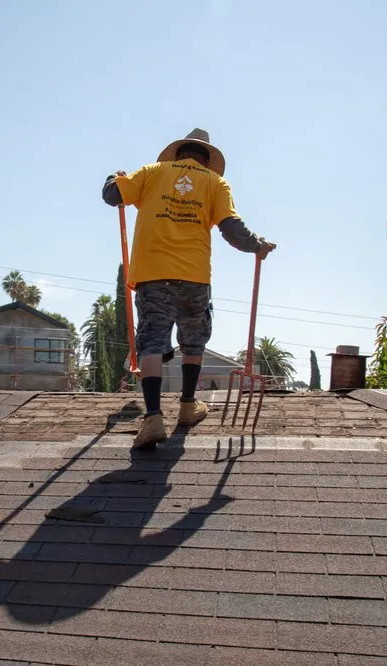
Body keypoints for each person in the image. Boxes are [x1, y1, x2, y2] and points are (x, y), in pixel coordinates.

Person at [102, 129, 275, 448]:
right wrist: (257, 246)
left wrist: (116, 177)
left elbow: (112, 196)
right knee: (193, 341)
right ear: (207, 160)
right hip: (194, 276)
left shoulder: (152, 173)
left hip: (153, 275)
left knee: (152, 342)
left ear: (178, 153)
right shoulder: (215, 183)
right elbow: (232, 230)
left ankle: (153, 417)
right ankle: (187, 406)